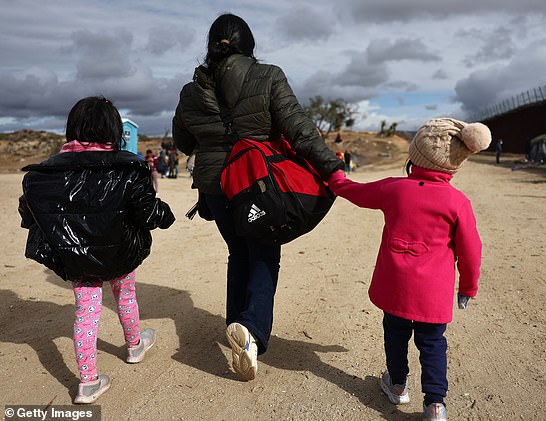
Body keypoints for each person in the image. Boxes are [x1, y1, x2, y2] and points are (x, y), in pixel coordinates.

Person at [172, 14, 344, 381]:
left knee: (238, 252)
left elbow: (184, 142)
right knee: (265, 255)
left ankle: (236, 323)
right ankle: (250, 333)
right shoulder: (268, 77)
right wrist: (331, 168)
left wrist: (214, 137)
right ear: (248, 45)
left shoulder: (191, 90)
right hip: (258, 184)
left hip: (216, 188)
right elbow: (298, 127)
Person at [328, 118, 490, 421]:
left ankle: (398, 384)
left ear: (415, 156)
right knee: (432, 343)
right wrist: (468, 287)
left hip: (396, 288)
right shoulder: (458, 202)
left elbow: (354, 191)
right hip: (433, 293)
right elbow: (471, 251)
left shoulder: (395, 189)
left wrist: (335, 176)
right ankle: (435, 404)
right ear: (455, 164)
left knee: (395, 333)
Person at [18, 96, 175, 404]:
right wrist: (165, 215)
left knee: (86, 312)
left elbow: (29, 215)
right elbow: (148, 214)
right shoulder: (130, 168)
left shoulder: (41, 175)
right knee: (125, 294)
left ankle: (88, 382)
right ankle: (134, 346)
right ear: (114, 130)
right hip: (121, 254)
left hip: (76, 258)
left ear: (72, 128)